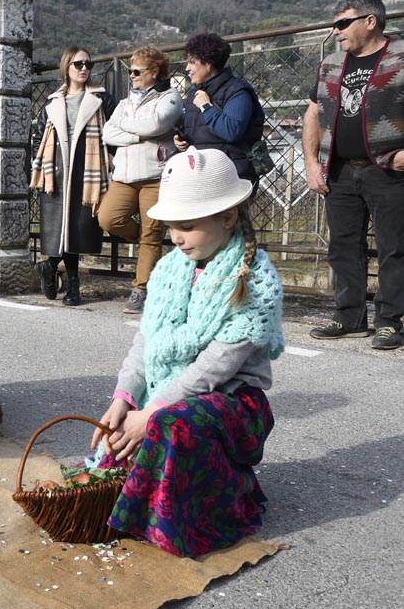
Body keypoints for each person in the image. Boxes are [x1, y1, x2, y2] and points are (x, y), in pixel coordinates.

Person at [89, 148, 283, 559]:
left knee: (172, 426)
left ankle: (204, 513)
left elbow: (214, 369)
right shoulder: (169, 268)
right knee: (119, 441)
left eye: (188, 227)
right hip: (173, 387)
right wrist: (124, 397)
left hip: (233, 401)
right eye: (172, 227)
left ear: (228, 217)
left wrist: (153, 410)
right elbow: (146, 343)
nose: (176, 237)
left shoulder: (254, 279)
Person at [304, 0, 404, 350]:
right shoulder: (330, 64)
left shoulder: (401, 56)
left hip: (388, 170)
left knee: (395, 247)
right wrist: (312, 162)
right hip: (340, 170)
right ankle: (349, 317)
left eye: (343, 23)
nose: (336, 31)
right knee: (343, 246)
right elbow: (313, 114)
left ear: (370, 21)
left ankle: (390, 322)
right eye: (335, 25)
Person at [99, 46, 182, 314]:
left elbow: (156, 125)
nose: (131, 76)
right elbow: (107, 133)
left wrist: (127, 126)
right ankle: (152, 252)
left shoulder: (169, 97)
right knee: (109, 218)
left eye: (137, 71)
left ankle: (141, 289)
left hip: (155, 175)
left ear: (154, 72)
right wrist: (137, 134)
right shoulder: (125, 102)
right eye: (130, 71)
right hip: (124, 176)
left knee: (151, 232)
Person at [29, 46, 113, 306]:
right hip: (56, 170)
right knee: (60, 230)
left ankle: (52, 267)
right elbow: (39, 136)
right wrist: (40, 166)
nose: (84, 69)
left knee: (78, 227)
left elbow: (114, 133)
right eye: (78, 64)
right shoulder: (52, 102)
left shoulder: (103, 99)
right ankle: (72, 287)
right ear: (67, 67)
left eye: (88, 64)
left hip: (87, 171)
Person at [174, 32, 265, 185]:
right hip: (199, 173)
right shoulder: (194, 93)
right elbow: (197, 130)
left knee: (231, 211)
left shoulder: (237, 91)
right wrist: (181, 139)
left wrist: (206, 106)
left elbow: (231, 131)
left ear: (208, 63)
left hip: (232, 175)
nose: (187, 68)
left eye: (192, 62)